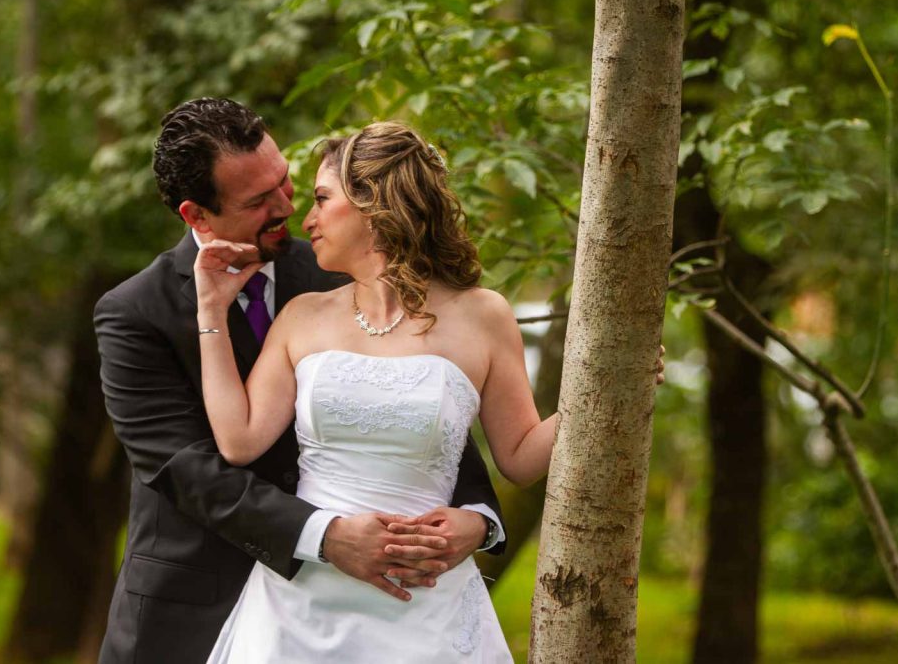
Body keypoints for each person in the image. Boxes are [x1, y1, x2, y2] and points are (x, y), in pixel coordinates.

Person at [194, 121, 666, 662]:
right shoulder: (302, 317)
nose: (308, 219)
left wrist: (607, 389)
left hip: (428, 611)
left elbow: (520, 458)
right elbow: (238, 441)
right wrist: (209, 309)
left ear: (375, 202)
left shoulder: (484, 316)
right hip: (300, 611)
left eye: (323, 199)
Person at [94, 100, 506, 664]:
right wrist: (325, 536)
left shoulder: (339, 269)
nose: (287, 206)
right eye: (259, 201)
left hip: (386, 613)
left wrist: (477, 520)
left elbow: (429, 414)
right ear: (198, 216)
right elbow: (187, 470)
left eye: (285, 182)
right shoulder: (134, 312)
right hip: (193, 608)